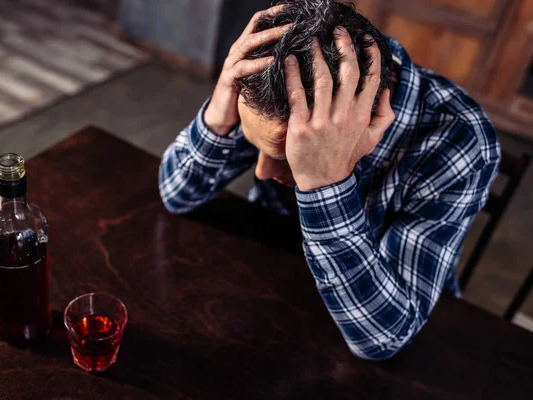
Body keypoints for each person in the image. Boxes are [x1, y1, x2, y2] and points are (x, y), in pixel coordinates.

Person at [159, 0, 500, 360]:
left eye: (283, 158)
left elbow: (383, 339)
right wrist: (218, 117)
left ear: (364, 122)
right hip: (272, 286)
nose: (261, 174)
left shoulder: (461, 137)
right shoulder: (277, 83)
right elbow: (176, 194)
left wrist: (325, 184)